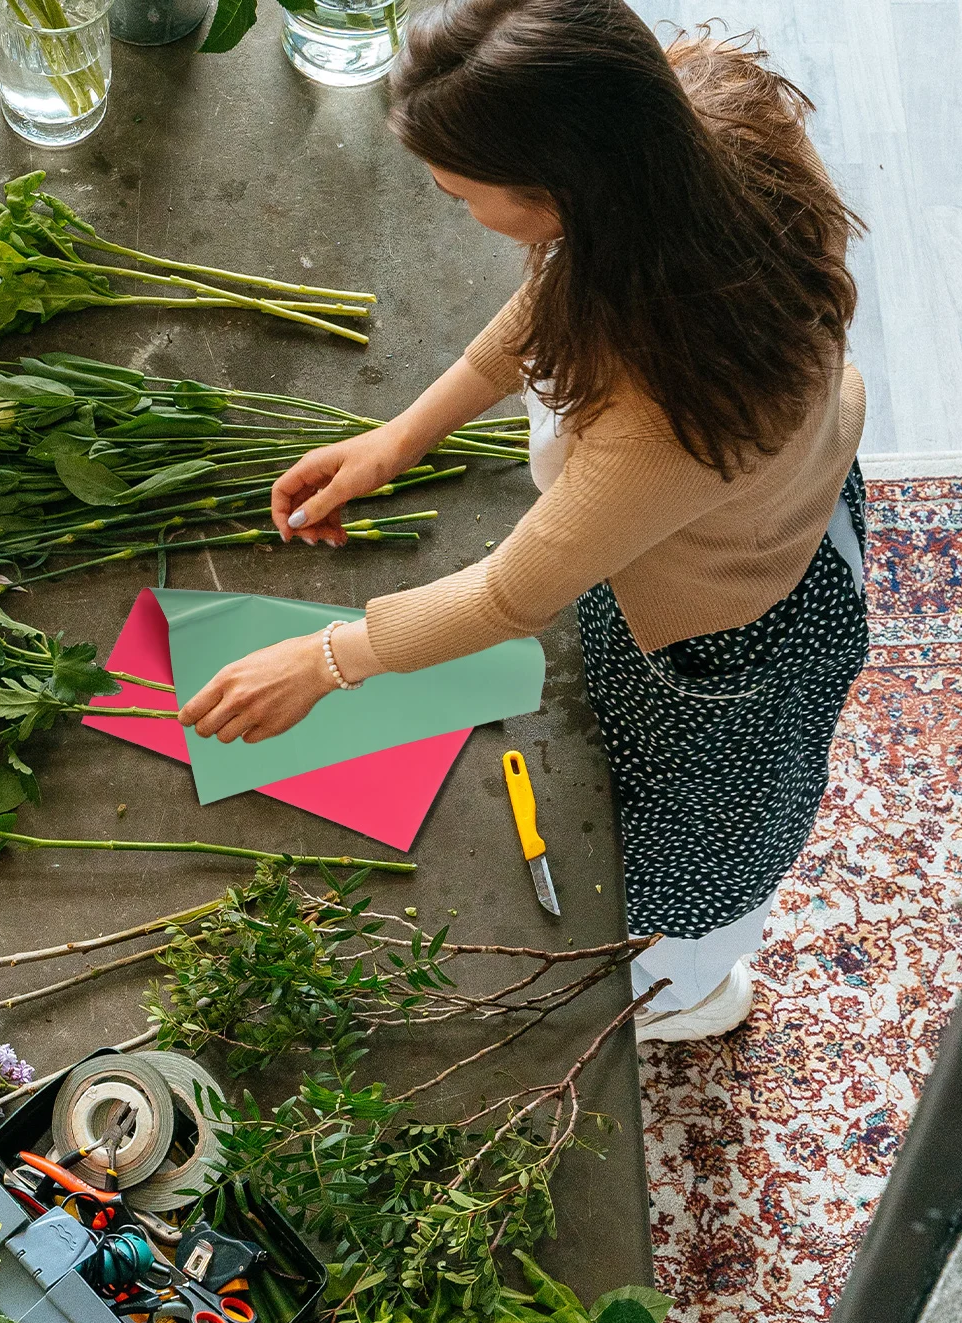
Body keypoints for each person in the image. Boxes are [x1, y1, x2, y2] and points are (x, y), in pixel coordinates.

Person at [177, 0, 870, 1043]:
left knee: (692, 855)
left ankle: (690, 991)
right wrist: (399, 435)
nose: (451, 209)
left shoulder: (669, 415)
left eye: (462, 195)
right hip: (740, 517)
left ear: (560, 192)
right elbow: (552, 300)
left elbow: (512, 594)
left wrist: (325, 660)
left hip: (727, 632)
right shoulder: (686, 127)